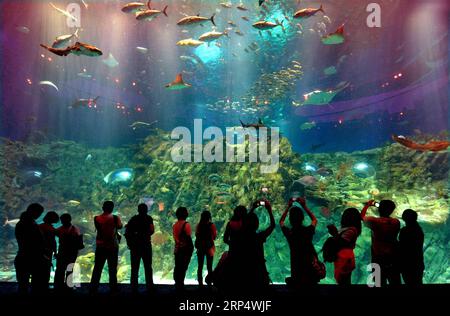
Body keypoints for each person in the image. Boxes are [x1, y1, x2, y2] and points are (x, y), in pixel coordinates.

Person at [280, 197, 318, 287]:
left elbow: (281, 221)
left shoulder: (290, 233)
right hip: (309, 266)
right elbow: (314, 220)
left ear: (290, 220)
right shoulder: (308, 231)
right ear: (303, 218)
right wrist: (304, 206)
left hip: (296, 267)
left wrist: (288, 207)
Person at [361, 199, 401, 286]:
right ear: (392, 210)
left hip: (378, 258)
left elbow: (362, 217)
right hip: (393, 258)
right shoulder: (396, 222)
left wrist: (367, 205)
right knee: (395, 282)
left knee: (378, 283)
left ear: (379, 209)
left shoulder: (374, 221)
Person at [240, 199, 275, 291]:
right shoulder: (259, 237)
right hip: (259, 270)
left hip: (244, 270)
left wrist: (252, 209)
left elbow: (244, 224)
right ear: (257, 224)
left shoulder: (242, 236)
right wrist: (269, 210)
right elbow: (272, 226)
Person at [90, 201, 123, 294]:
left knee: (98, 267)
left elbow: (100, 230)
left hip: (100, 246)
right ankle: (113, 287)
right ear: (112, 208)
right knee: (112, 268)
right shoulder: (115, 218)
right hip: (112, 246)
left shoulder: (96, 218)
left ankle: (93, 287)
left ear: (102, 208)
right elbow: (120, 227)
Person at [14, 203, 45, 294]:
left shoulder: (24, 222)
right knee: (33, 286)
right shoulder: (28, 224)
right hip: (30, 258)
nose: (39, 215)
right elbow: (33, 242)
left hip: (23, 257)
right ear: (33, 212)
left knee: (23, 285)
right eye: (39, 213)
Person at [327, 208, 362, 285]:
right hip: (344, 258)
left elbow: (342, 243)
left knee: (343, 281)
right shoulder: (350, 228)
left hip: (345, 259)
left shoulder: (351, 230)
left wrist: (335, 233)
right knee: (343, 280)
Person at [125, 203, 155, 293]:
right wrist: (146, 234)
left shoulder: (133, 219)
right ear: (146, 210)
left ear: (138, 210)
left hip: (135, 246)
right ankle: (150, 286)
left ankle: (134, 287)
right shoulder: (149, 218)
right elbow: (152, 230)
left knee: (134, 267)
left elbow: (127, 231)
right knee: (148, 267)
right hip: (146, 245)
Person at [54, 213, 82, 291]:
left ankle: (58, 286)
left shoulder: (60, 229)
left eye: (62, 220)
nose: (62, 221)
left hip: (63, 251)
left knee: (60, 269)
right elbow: (79, 241)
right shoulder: (75, 229)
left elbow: (55, 233)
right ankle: (68, 286)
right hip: (72, 252)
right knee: (68, 268)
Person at [399, 209, 424, 285]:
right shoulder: (419, 230)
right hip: (418, 263)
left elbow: (401, 247)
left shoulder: (404, 231)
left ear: (404, 218)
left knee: (409, 282)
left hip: (407, 264)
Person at [172, 207, 194, 291]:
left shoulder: (174, 225)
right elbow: (188, 237)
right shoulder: (186, 224)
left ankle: (177, 284)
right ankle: (181, 285)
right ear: (185, 214)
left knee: (177, 266)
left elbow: (175, 237)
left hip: (177, 249)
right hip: (185, 250)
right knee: (183, 267)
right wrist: (191, 248)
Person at [38, 211, 60, 290]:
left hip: (38, 251)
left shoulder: (39, 226)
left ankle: (37, 288)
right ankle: (44, 288)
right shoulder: (51, 229)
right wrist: (55, 252)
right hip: (47, 251)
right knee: (46, 270)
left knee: (38, 271)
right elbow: (53, 242)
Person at [195, 211, 217, 286]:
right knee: (209, 266)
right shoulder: (212, 225)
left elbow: (196, 235)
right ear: (209, 217)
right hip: (209, 248)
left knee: (200, 266)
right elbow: (214, 237)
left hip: (200, 248)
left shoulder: (199, 225)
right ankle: (209, 283)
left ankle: (200, 283)